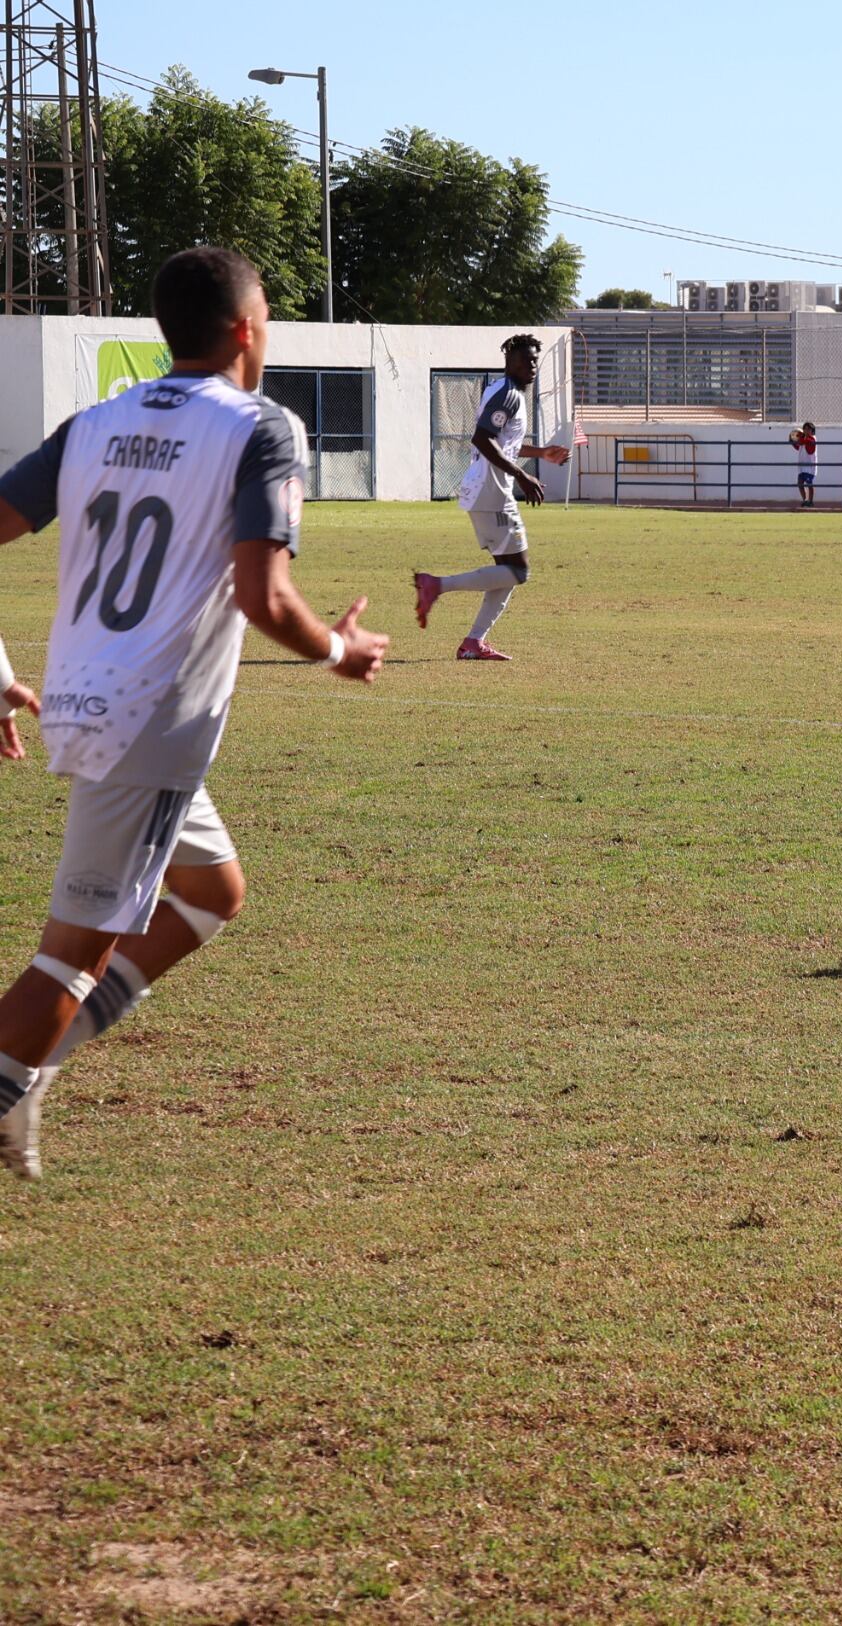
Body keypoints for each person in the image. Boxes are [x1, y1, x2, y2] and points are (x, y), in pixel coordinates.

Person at [0, 245, 389, 1180]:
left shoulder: (97, 419)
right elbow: (266, 598)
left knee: (213, 896)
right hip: (150, 717)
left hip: (94, 702)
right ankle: (17, 1075)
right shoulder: (261, 427)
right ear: (250, 328)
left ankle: (33, 1069)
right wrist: (339, 651)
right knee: (70, 955)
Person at [411, 334, 564, 661]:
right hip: (491, 491)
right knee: (519, 571)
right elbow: (482, 438)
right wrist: (523, 475)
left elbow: (501, 441)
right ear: (510, 361)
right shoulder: (508, 394)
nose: (533, 366)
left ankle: (473, 643)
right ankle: (435, 585)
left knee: (507, 574)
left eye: (536, 360)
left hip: (486, 489)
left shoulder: (503, 391)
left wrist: (541, 454)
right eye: (527, 359)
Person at [790, 420, 818, 507]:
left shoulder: (812, 438)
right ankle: (805, 500)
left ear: (812, 431)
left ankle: (811, 501)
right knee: (800, 483)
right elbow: (799, 447)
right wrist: (793, 442)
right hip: (802, 465)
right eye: (805, 429)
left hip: (810, 466)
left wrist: (799, 437)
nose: (806, 431)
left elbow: (802, 442)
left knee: (809, 483)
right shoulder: (804, 439)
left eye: (808, 429)